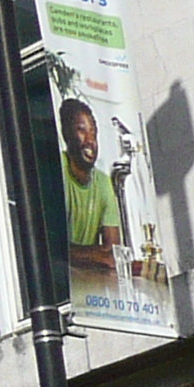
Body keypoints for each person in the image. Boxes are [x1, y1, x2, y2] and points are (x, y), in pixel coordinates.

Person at [61, 97, 126, 275]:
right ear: (67, 134)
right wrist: (96, 255)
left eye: (93, 132)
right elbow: (53, 250)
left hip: (90, 284)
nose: (90, 140)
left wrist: (87, 255)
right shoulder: (57, 170)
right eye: (82, 131)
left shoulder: (103, 182)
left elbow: (113, 252)